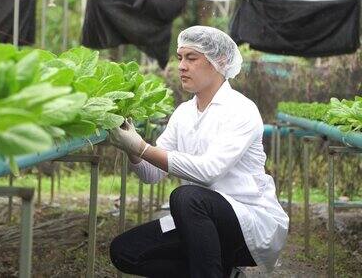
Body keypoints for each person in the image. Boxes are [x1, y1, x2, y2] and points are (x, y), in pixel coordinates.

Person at [108, 26, 288, 278]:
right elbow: (152, 174)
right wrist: (132, 149)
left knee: (187, 196)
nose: (181, 65)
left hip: (247, 220)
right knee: (124, 251)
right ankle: (224, 273)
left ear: (220, 61)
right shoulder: (184, 113)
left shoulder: (241, 110)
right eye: (180, 57)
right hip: (197, 220)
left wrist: (143, 147)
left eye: (191, 58)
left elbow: (208, 172)